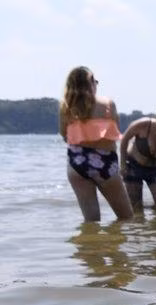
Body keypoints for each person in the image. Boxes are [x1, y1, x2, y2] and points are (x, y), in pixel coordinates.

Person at [58, 66, 133, 222]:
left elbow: (64, 134)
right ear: (91, 82)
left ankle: (91, 246)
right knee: (126, 218)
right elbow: (115, 133)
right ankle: (112, 246)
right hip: (105, 163)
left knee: (91, 222)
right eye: (96, 82)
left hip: (77, 164)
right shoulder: (108, 105)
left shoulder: (66, 107)